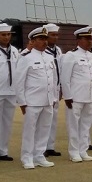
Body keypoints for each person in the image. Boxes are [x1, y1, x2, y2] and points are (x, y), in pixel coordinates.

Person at [18, 26, 58, 169]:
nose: (44, 42)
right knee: (30, 130)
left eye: (46, 39)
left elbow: (53, 79)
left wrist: (53, 98)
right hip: (32, 101)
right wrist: (22, 101)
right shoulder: (26, 58)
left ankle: (39, 155)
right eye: (41, 39)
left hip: (47, 100)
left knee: (44, 129)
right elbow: (19, 81)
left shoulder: (49, 57)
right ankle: (27, 157)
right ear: (33, 41)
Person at [60, 26, 92, 162]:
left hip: (89, 96)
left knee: (86, 125)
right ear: (79, 40)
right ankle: (74, 151)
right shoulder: (71, 56)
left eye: (91, 39)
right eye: (87, 39)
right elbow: (65, 78)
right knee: (73, 125)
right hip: (75, 97)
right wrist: (68, 96)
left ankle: (83, 150)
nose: (90, 41)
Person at [0, 23, 20, 163]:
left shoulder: (14, 50)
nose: (6, 37)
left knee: (7, 123)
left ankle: (3, 150)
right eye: (3, 35)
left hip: (11, 90)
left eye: (8, 34)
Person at [42, 23, 64, 158]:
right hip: (44, 89)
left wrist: (60, 87)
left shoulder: (58, 51)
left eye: (56, 35)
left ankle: (50, 146)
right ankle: (41, 147)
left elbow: (60, 70)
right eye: (52, 35)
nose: (55, 38)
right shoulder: (43, 51)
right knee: (43, 120)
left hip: (55, 88)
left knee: (53, 119)